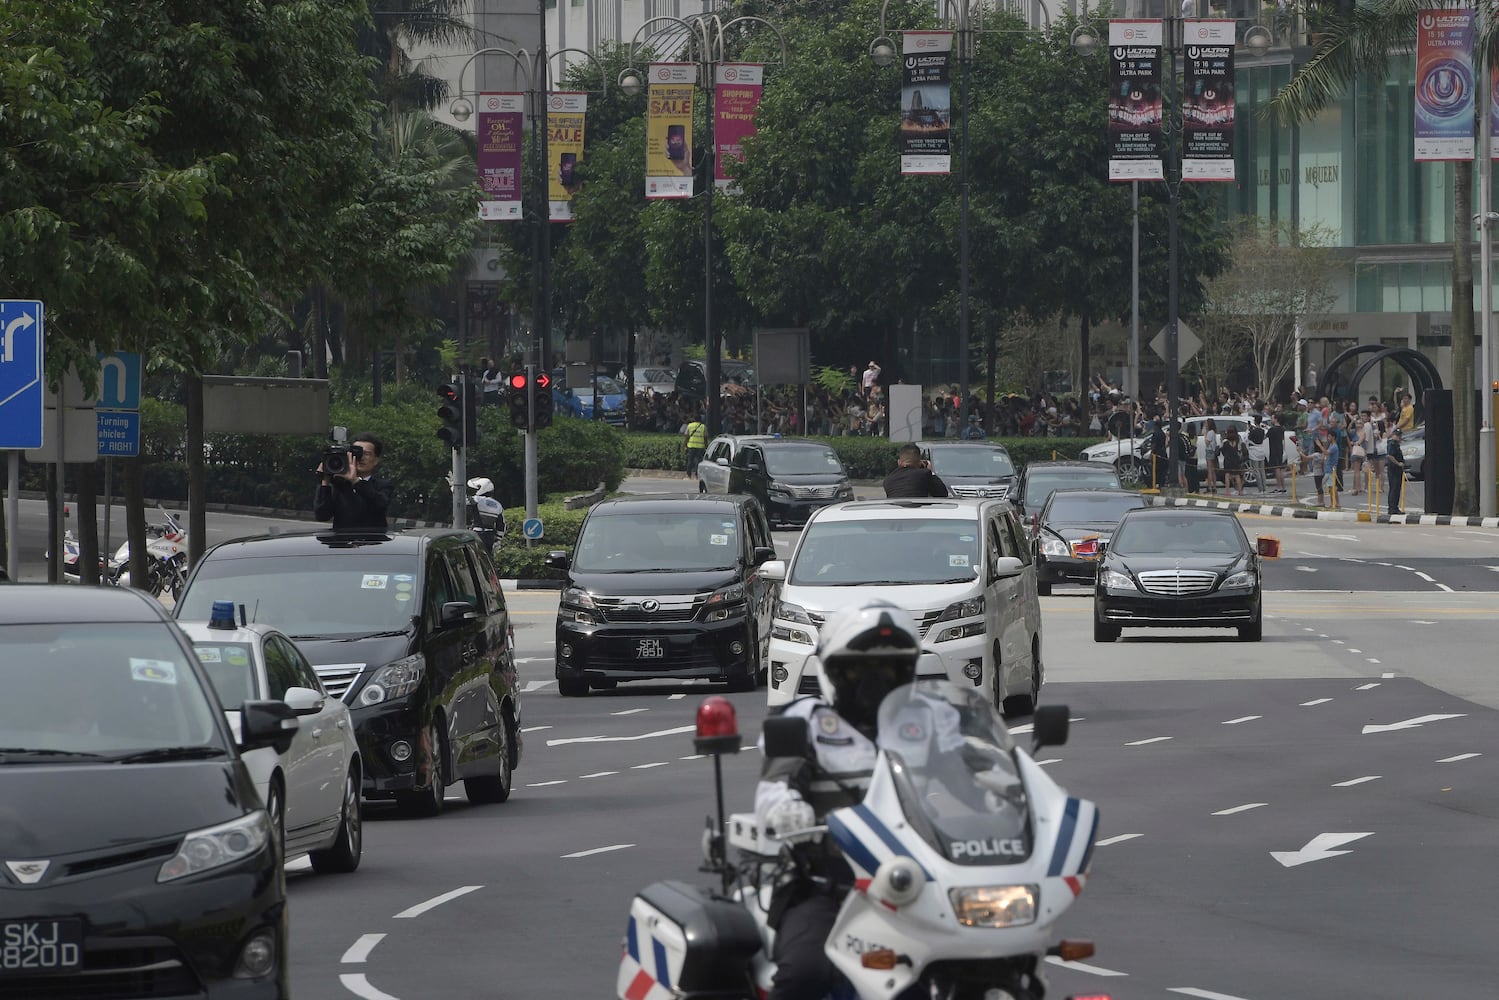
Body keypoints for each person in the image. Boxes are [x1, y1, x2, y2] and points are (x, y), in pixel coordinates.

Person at [754, 603, 923, 1000]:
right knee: (804, 975)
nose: (876, 683)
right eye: (858, 671)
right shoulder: (806, 722)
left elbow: (974, 777)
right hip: (830, 884)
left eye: (890, 670)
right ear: (832, 672)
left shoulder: (933, 724)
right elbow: (774, 785)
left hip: (922, 884)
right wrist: (786, 810)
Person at [314, 432, 390, 531]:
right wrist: (325, 481)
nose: (360, 457)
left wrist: (355, 481)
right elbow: (322, 516)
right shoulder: (339, 485)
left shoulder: (383, 485)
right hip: (342, 543)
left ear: (376, 460)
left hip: (372, 542)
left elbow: (380, 504)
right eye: (356, 453)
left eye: (366, 454)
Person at [883, 444, 949, 498]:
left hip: (896, 513)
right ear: (919, 463)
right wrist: (931, 471)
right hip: (918, 512)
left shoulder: (888, 480)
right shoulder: (924, 474)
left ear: (899, 462)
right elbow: (942, 494)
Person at [1386, 426, 1406, 515]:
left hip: (1397, 470)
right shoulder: (1392, 444)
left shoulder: (1396, 444)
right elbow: (1390, 456)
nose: (1399, 437)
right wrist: (1398, 463)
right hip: (1394, 469)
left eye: (1399, 435)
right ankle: (1392, 508)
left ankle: (1394, 507)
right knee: (1394, 488)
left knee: (1396, 489)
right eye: (1397, 435)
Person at [682, 412, 707, 478]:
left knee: (690, 461)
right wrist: (706, 446)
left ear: (694, 419)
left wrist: (685, 445)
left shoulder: (690, 425)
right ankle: (697, 475)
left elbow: (686, 436)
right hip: (700, 446)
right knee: (698, 461)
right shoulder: (703, 427)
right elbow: (705, 438)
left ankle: (688, 474)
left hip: (691, 445)